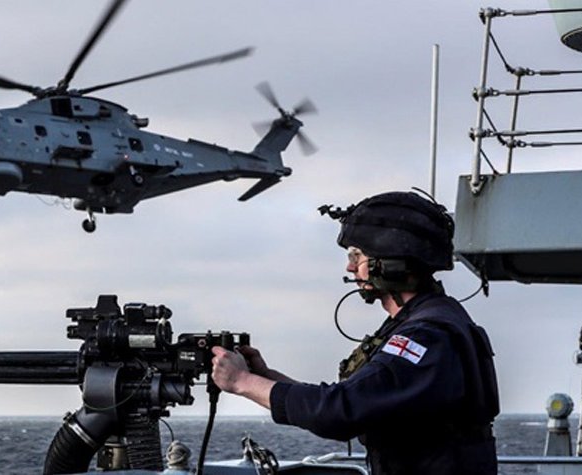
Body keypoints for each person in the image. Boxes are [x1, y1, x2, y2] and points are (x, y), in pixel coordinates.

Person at [210, 191, 499, 475]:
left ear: (391, 261)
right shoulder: (427, 320)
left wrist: (241, 381)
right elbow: (351, 399)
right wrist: (264, 377)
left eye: (357, 255)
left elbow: (339, 412)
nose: (349, 267)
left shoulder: (426, 336)